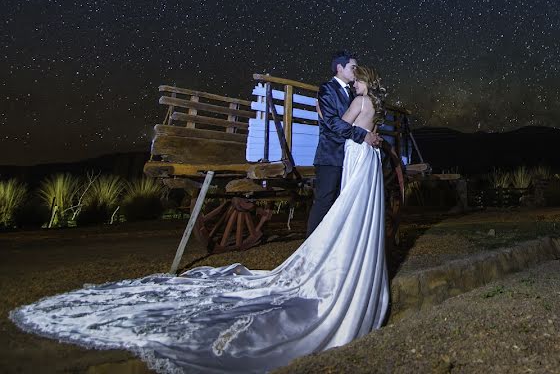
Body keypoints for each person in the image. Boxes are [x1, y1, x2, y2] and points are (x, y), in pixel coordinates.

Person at [9, 66, 391, 374]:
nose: (353, 77)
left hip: (352, 155)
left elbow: (339, 124)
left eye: (357, 74)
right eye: (351, 71)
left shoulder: (357, 99)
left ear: (363, 80)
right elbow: (348, 126)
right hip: (357, 156)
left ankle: (327, 251)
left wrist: (337, 119)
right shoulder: (366, 99)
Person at [308, 50, 380, 236]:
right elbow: (332, 122)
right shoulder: (327, 89)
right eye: (352, 67)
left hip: (352, 155)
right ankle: (311, 248)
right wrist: (362, 135)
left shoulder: (354, 93)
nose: (356, 71)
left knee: (344, 203)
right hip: (331, 154)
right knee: (325, 200)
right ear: (340, 68)